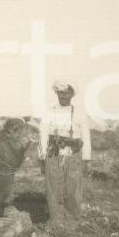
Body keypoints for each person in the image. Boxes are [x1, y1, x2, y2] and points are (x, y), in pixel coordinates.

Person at [38, 81, 91, 221]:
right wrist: (42, 158)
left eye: (67, 93)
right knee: (53, 189)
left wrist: (86, 160)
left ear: (72, 95)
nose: (63, 96)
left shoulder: (79, 114)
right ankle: (56, 224)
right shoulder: (49, 112)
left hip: (74, 156)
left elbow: (86, 137)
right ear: (57, 94)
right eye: (60, 93)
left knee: (73, 189)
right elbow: (42, 135)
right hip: (53, 155)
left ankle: (72, 223)